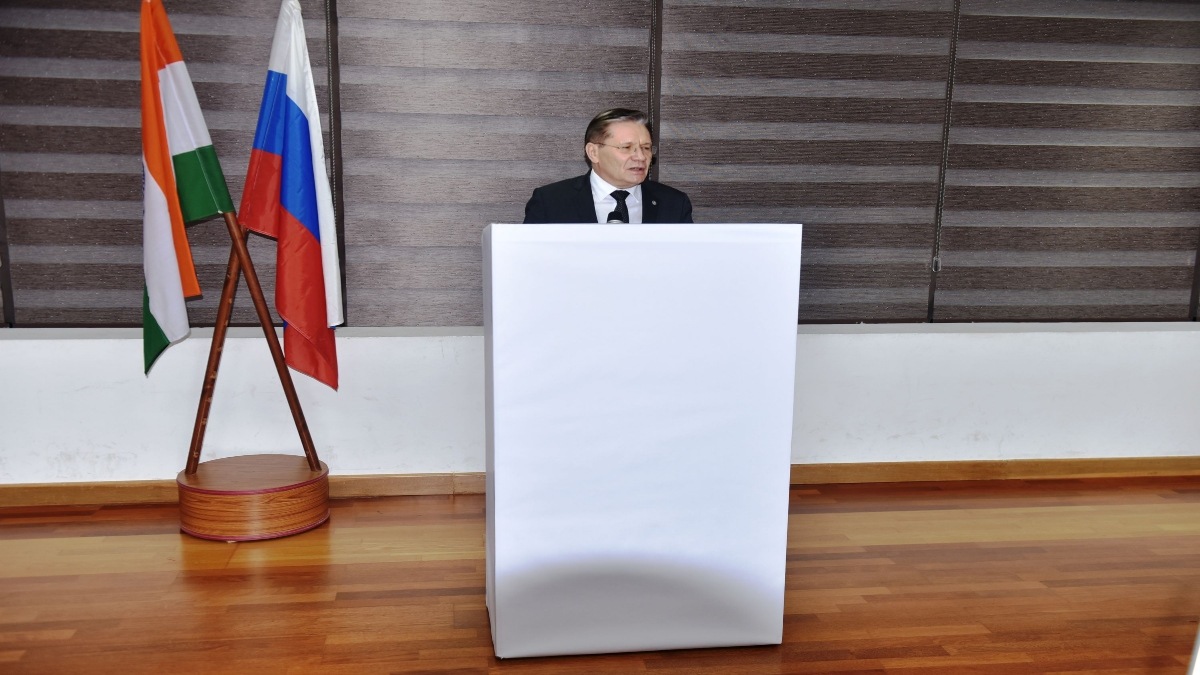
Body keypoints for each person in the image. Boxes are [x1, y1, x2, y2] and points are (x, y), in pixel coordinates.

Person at [523, 108, 693, 224]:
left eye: (646, 148)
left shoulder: (674, 204)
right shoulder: (551, 202)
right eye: (626, 148)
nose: (641, 157)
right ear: (593, 152)